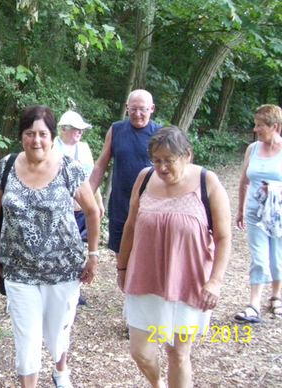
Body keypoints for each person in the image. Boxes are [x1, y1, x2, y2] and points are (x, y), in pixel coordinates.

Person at [0, 105, 101, 388]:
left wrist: (93, 255)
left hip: (63, 271)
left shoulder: (69, 169)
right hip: (18, 271)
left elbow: (92, 211)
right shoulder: (6, 166)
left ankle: (60, 370)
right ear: (21, 136)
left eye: (42, 134)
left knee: (56, 335)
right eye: (29, 133)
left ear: (52, 137)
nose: (36, 140)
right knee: (26, 339)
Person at [117, 126, 231, 388]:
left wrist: (215, 281)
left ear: (187, 156)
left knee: (177, 354)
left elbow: (224, 238)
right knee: (140, 352)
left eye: (169, 160)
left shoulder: (207, 181)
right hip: (145, 279)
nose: (162, 167)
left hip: (188, 282)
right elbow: (131, 226)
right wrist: (122, 268)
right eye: (157, 160)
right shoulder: (145, 178)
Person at [89, 89, 161, 254]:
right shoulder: (116, 130)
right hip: (120, 205)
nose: (137, 114)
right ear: (127, 107)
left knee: (147, 256)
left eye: (142, 109)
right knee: (121, 256)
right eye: (133, 109)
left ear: (152, 109)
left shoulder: (160, 135)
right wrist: (88, 194)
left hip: (150, 206)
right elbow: (101, 165)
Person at [52, 110, 105, 307]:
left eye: (81, 130)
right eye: (76, 130)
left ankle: (75, 290)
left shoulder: (84, 148)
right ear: (64, 130)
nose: (80, 133)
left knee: (78, 248)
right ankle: (56, 286)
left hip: (81, 208)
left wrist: (97, 203)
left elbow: (91, 178)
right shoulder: (51, 147)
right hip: (58, 209)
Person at [235, 104, 282, 322]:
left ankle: (276, 296)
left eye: (260, 125)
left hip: (279, 214)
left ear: (275, 127)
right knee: (259, 258)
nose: (256, 129)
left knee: (277, 258)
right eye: (255, 125)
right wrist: (241, 209)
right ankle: (254, 305)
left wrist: (273, 190)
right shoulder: (252, 149)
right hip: (255, 212)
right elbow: (244, 181)